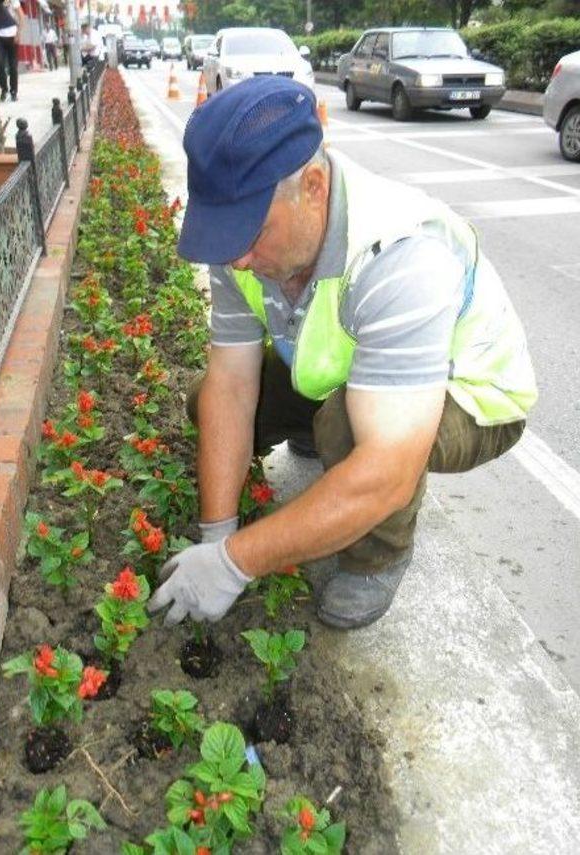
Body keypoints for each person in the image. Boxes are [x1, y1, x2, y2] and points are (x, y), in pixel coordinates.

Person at [148, 77, 537, 631]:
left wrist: (237, 564)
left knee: (348, 431)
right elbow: (231, 387)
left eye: (251, 233)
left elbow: (387, 469)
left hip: (473, 394)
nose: (236, 260)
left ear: (312, 186)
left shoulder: (400, 255)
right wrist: (218, 535)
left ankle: (378, 556)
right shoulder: (243, 241)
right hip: (351, 366)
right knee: (205, 400)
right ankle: (314, 430)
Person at [0, 0, 24, 101]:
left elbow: (21, 17)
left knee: (13, 66)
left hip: (12, 37)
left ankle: (13, 91)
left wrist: (18, 33)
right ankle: (4, 89)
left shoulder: (14, 2)